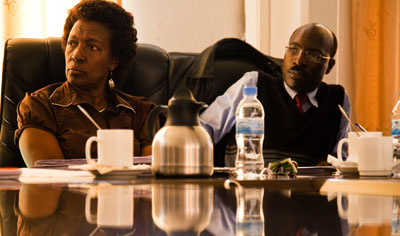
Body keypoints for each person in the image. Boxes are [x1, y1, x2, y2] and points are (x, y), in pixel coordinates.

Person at [15, 0, 155, 167]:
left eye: (92, 47)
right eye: (72, 43)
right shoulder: (40, 107)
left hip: (129, 194)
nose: (77, 55)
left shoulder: (141, 113)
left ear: (114, 60)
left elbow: (151, 179)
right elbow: (51, 180)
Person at [200, 23, 350, 166]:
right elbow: (204, 130)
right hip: (247, 187)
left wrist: (333, 166)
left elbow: (340, 161)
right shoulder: (254, 85)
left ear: (329, 66)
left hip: (310, 191)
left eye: (312, 55)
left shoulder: (337, 100)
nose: (298, 60)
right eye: (293, 49)